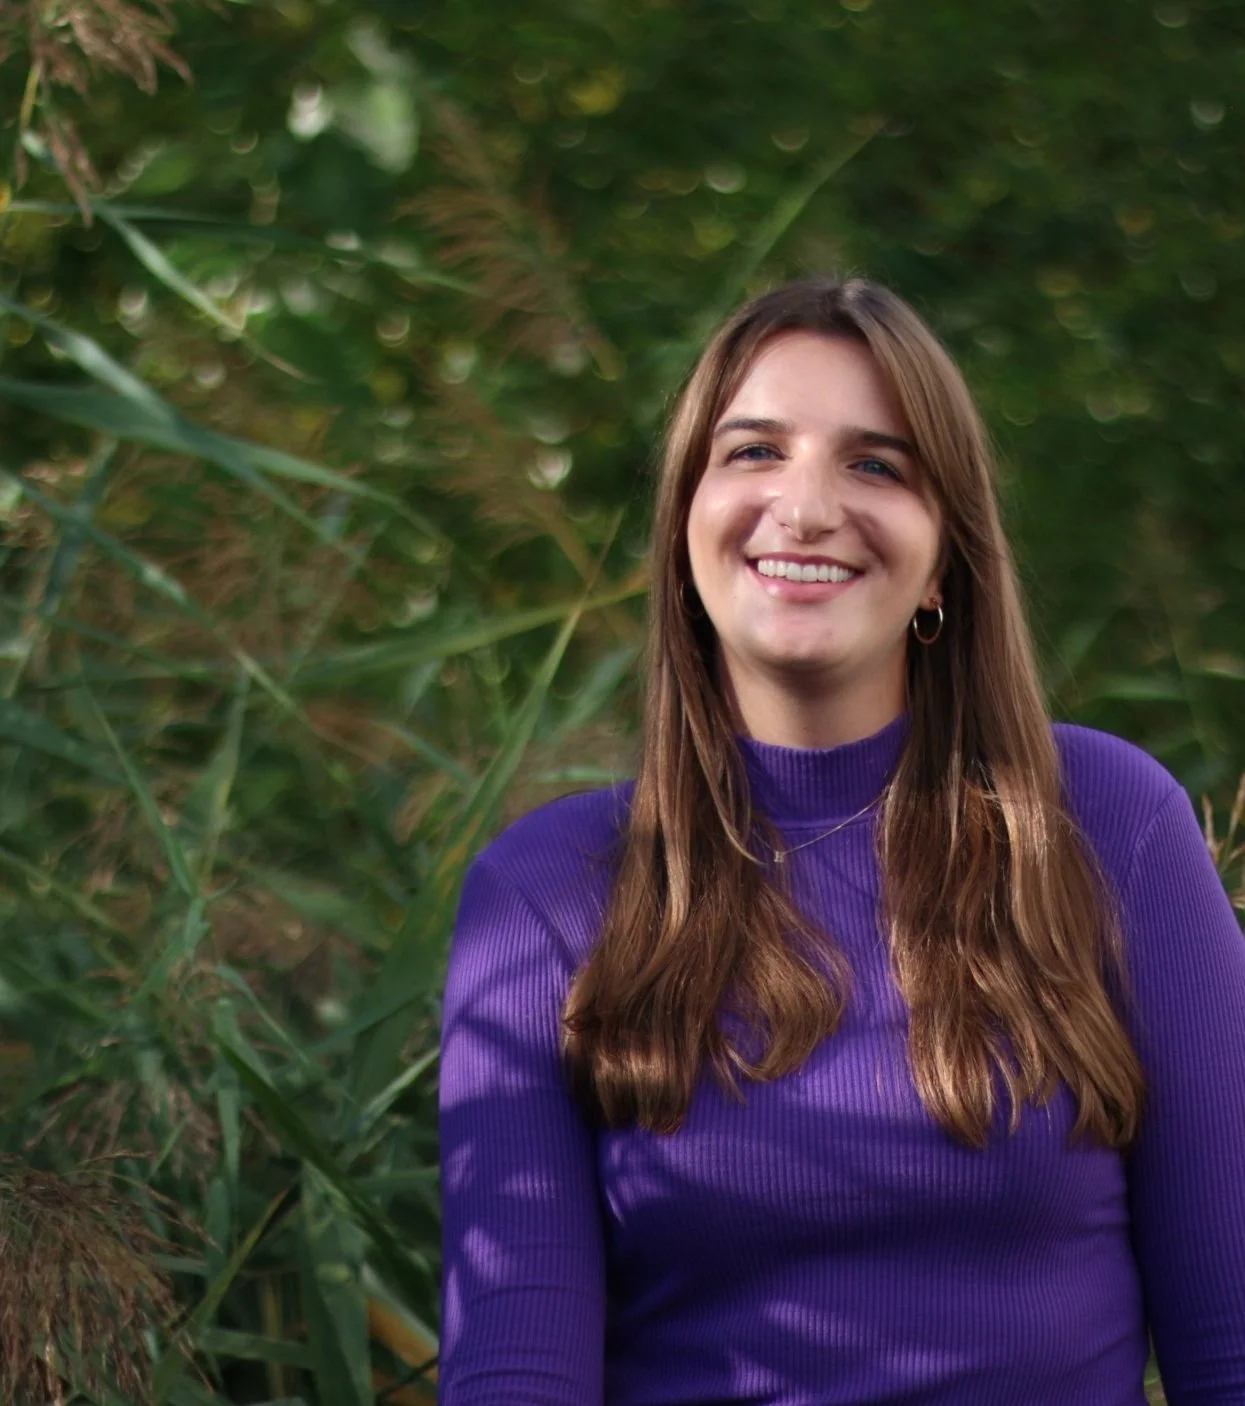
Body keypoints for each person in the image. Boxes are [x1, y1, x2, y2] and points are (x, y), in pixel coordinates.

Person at [436, 276, 1245, 1404]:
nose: (805, 507)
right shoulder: (548, 892)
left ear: (946, 554)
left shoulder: (1106, 823)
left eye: (877, 464)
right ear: (683, 524)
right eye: (754, 451)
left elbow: (1233, 1331)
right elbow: (518, 1371)